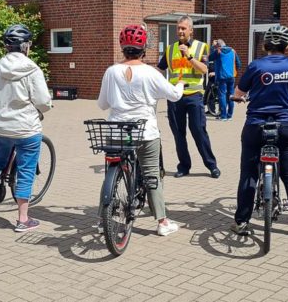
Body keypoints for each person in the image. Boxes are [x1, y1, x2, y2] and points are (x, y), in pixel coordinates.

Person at [97, 24, 186, 236]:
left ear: (122, 47)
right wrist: (181, 84)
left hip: (116, 130)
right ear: (144, 48)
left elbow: (102, 104)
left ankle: (103, 221)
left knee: (112, 169)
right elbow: (174, 95)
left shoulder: (111, 71)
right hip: (145, 132)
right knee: (151, 174)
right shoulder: (150, 73)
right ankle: (162, 223)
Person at [230, 25, 288, 238]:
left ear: (265, 45)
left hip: (256, 125)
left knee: (249, 174)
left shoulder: (256, 66)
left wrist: (238, 98)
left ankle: (241, 221)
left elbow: (239, 92)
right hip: (287, 125)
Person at [0, 24, 52, 233]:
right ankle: (23, 219)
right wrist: (43, 108)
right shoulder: (32, 69)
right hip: (25, 128)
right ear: (25, 46)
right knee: (26, 170)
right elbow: (43, 101)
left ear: (7, 46)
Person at [157, 16, 220, 179]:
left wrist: (189, 57)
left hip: (194, 96)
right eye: (178, 28)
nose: (180, 31)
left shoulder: (201, 47)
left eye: (183, 28)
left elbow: (204, 69)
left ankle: (211, 165)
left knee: (198, 130)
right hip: (175, 96)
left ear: (191, 30)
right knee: (179, 134)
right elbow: (160, 69)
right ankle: (184, 166)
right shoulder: (170, 49)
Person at [208, 39, 242, 121]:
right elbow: (239, 64)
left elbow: (210, 57)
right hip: (231, 76)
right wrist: (233, 71)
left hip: (221, 77)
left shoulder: (218, 51)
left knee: (222, 96)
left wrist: (213, 47)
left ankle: (223, 116)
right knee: (231, 95)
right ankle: (230, 115)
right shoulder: (233, 51)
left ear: (218, 45)